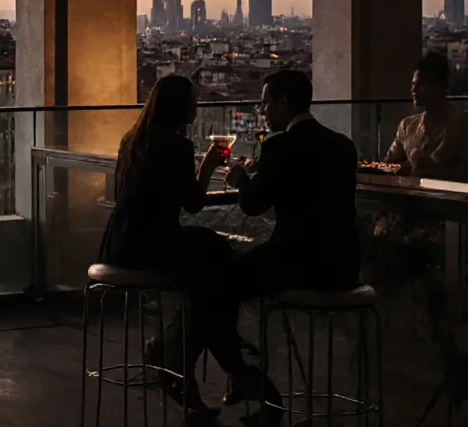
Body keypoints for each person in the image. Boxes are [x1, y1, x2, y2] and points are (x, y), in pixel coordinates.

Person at [94, 75, 242, 420]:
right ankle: (190, 353)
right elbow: (192, 203)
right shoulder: (177, 146)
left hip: (119, 243)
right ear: (179, 106)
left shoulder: (132, 140)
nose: (197, 106)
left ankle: (178, 352)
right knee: (219, 261)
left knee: (209, 269)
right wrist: (208, 165)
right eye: (193, 100)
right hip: (153, 244)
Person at [221, 69, 360, 420]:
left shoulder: (279, 146)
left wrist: (240, 177)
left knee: (220, 283)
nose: (263, 110)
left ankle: (245, 373)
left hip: (295, 262)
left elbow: (254, 205)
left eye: (266, 103)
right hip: (344, 266)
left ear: (283, 103)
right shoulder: (343, 144)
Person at [384, 52, 468, 182]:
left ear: (439, 86)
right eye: (413, 84)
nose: (413, 90)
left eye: (421, 85)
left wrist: (431, 171)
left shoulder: (465, 125)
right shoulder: (407, 126)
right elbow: (388, 165)